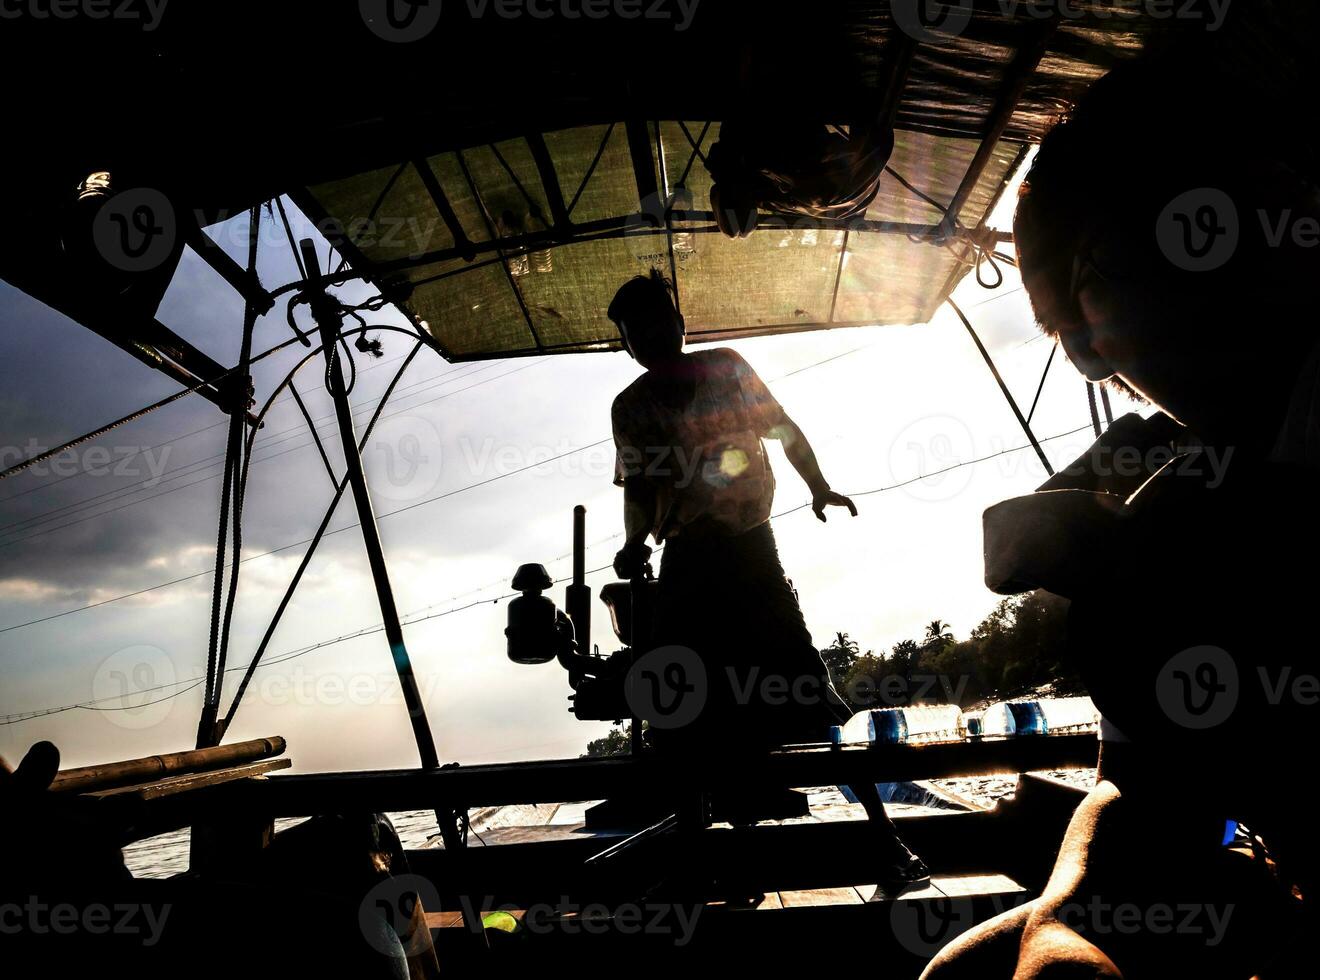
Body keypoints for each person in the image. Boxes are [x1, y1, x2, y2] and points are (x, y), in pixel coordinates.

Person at [925, 31, 1320, 980]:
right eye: (1060, 334)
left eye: (1086, 297)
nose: (1097, 365)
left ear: (1257, 203)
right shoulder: (1191, 512)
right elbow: (1138, 786)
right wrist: (1073, 911)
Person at [607, 268, 928, 890]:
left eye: (654, 322)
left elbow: (781, 428)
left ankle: (888, 843)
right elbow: (641, 486)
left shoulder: (727, 367)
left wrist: (818, 486)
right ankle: (710, 861)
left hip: (752, 551)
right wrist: (631, 543)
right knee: (683, 708)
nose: (645, 337)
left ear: (677, 323)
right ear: (626, 343)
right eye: (631, 333)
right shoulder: (631, 407)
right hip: (686, 564)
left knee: (804, 686)